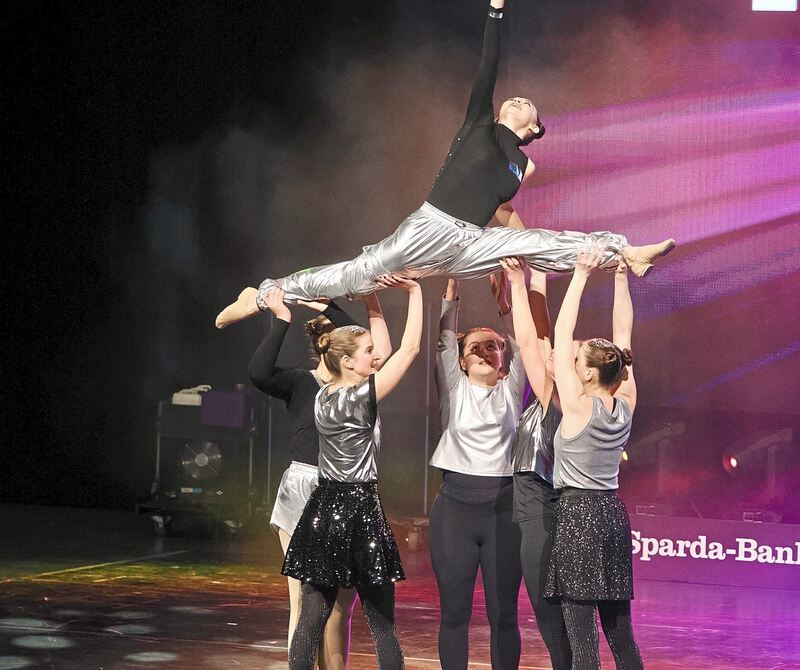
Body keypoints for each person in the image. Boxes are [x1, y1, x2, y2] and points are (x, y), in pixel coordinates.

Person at [215, 0, 674, 328]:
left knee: (539, 242)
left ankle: (625, 253)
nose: (518, 100)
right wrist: (496, 11)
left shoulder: (521, 166)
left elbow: (509, 218)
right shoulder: (479, 126)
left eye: (528, 105)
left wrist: (501, 266)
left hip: (471, 243)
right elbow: (487, 69)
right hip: (431, 228)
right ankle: (261, 294)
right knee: (352, 278)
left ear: (534, 130)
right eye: (513, 100)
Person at [282, 275, 424, 670]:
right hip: (360, 509)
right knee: (382, 626)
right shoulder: (362, 398)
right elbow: (408, 349)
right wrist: (414, 293)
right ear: (348, 361)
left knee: (309, 622)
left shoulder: (323, 392)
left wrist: (372, 300)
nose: (376, 356)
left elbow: (381, 350)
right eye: (368, 352)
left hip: (323, 509)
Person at [248, 291, 392, 668]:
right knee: (306, 602)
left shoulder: (364, 385)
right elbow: (259, 373)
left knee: (342, 607)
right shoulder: (302, 382)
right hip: (306, 489)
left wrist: (325, 302)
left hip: (348, 494)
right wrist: (281, 317)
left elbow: (362, 336)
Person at [544, 249, 644, 670]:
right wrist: (621, 279)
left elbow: (562, 327)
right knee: (621, 636)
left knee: (583, 641)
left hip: (578, 515)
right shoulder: (627, 399)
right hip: (612, 516)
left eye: (578, 358)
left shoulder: (578, 405)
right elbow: (624, 336)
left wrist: (581, 274)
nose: (572, 357)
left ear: (586, 373)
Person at [428, 277, 525, 670]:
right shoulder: (454, 389)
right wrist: (452, 293)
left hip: (505, 512)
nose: (485, 351)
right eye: (475, 347)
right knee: (455, 614)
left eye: (493, 346)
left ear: (503, 359)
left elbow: (525, 346)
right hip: (455, 512)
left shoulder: (512, 390)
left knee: (504, 614)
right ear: (462, 360)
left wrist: (504, 304)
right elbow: (443, 342)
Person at [499, 258, 571, 670]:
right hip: (540, 504)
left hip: (540, 505)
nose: (554, 351)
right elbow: (542, 334)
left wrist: (516, 279)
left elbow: (531, 340)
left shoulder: (558, 401)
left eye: (567, 353)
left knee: (548, 606)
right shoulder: (559, 398)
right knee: (557, 609)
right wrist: (536, 273)